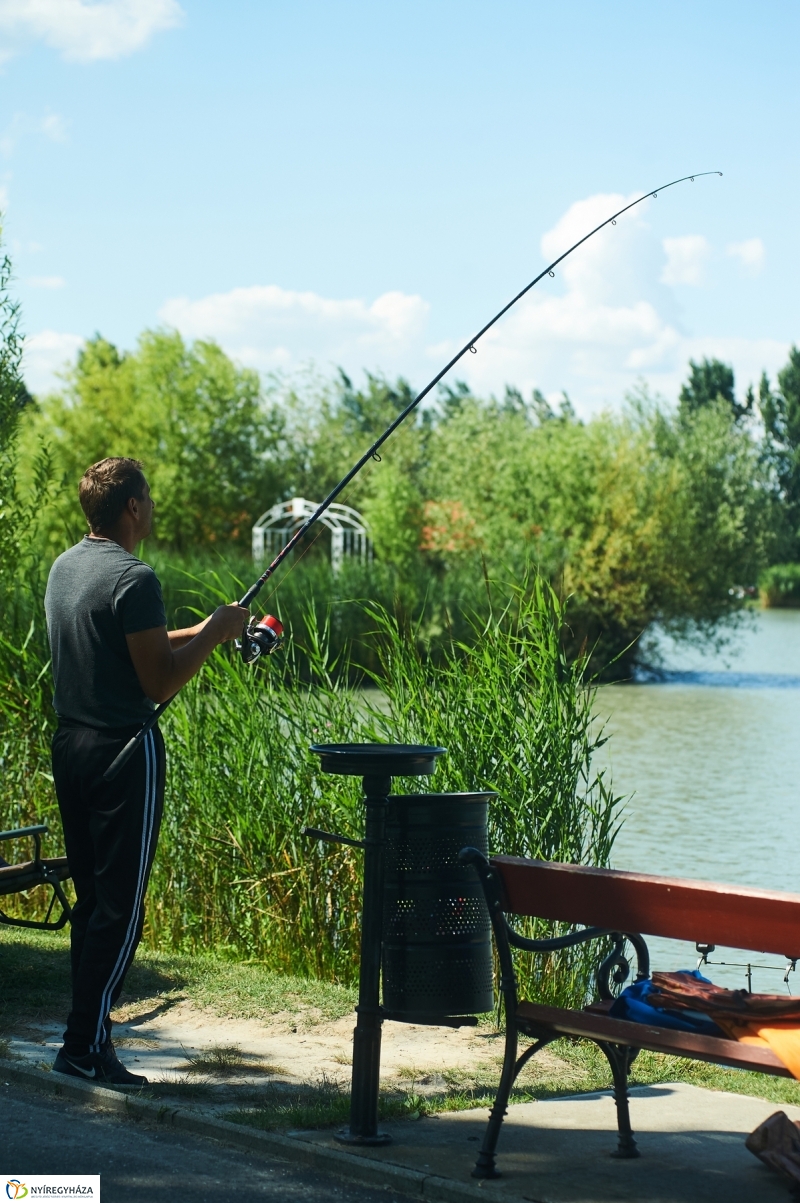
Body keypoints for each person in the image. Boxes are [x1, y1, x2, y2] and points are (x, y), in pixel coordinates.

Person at [44, 457, 249, 1085]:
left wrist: (214, 626)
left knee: (92, 903)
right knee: (122, 909)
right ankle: (83, 1044)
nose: (153, 506)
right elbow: (158, 680)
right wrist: (215, 633)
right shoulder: (135, 577)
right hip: (122, 753)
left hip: (70, 746)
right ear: (132, 506)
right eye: (149, 497)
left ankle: (89, 1039)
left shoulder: (67, 567)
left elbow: (139, 641)